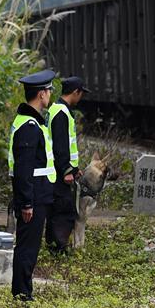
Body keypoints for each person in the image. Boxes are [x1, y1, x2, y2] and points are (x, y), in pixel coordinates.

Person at [9, 69, 57, 301]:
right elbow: (23, 168)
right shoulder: (29, 126)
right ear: (41, 94)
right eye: (49, 91)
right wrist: (26, 202)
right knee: (27, 246)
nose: (50, 95)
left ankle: (24, 290)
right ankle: (22, 294)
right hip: (34, 196)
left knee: (30, 245)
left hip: (38, 194)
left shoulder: (33, 122)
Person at [45, 76, 90, 253]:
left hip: (57, 168)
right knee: (63, 210)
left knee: (57, 208)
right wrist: (66, 170)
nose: (81, 97)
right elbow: (61, 145)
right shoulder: (61, 113)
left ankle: (54, 244)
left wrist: (74, 169)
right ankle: (58, 248)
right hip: (59, 171)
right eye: (81, 93)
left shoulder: (56, 109)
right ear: (75, 92)